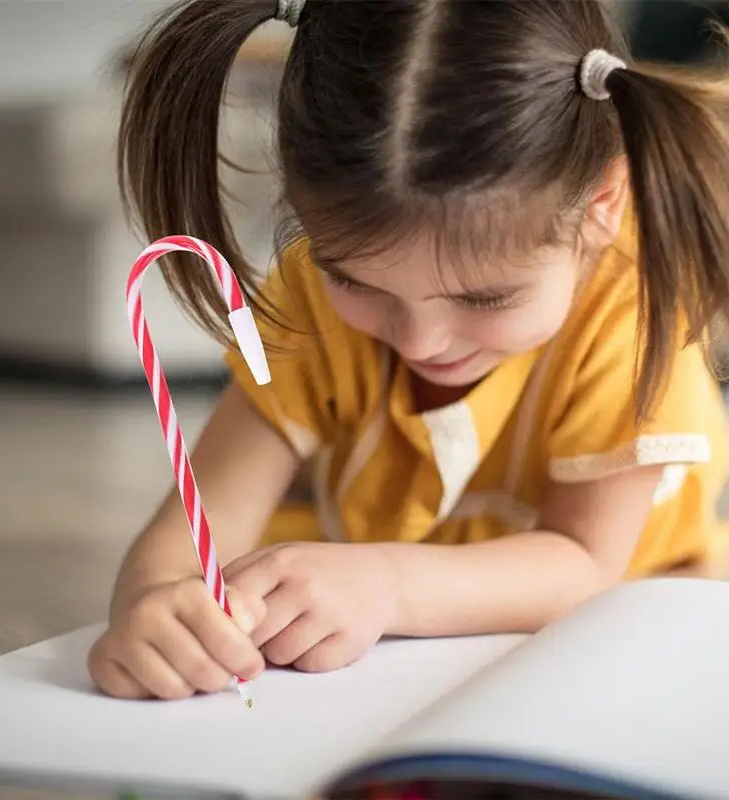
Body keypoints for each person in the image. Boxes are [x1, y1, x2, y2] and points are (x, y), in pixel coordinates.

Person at [87, 0, 729, 701]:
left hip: (628, 623)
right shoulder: (307, 292)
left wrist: (386, 585)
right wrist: (154, 604)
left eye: (484, 299)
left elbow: (584, 563)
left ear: (605, 201)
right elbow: (196, 526)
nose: (421, 341)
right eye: (353, 280)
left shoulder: (633, 305)